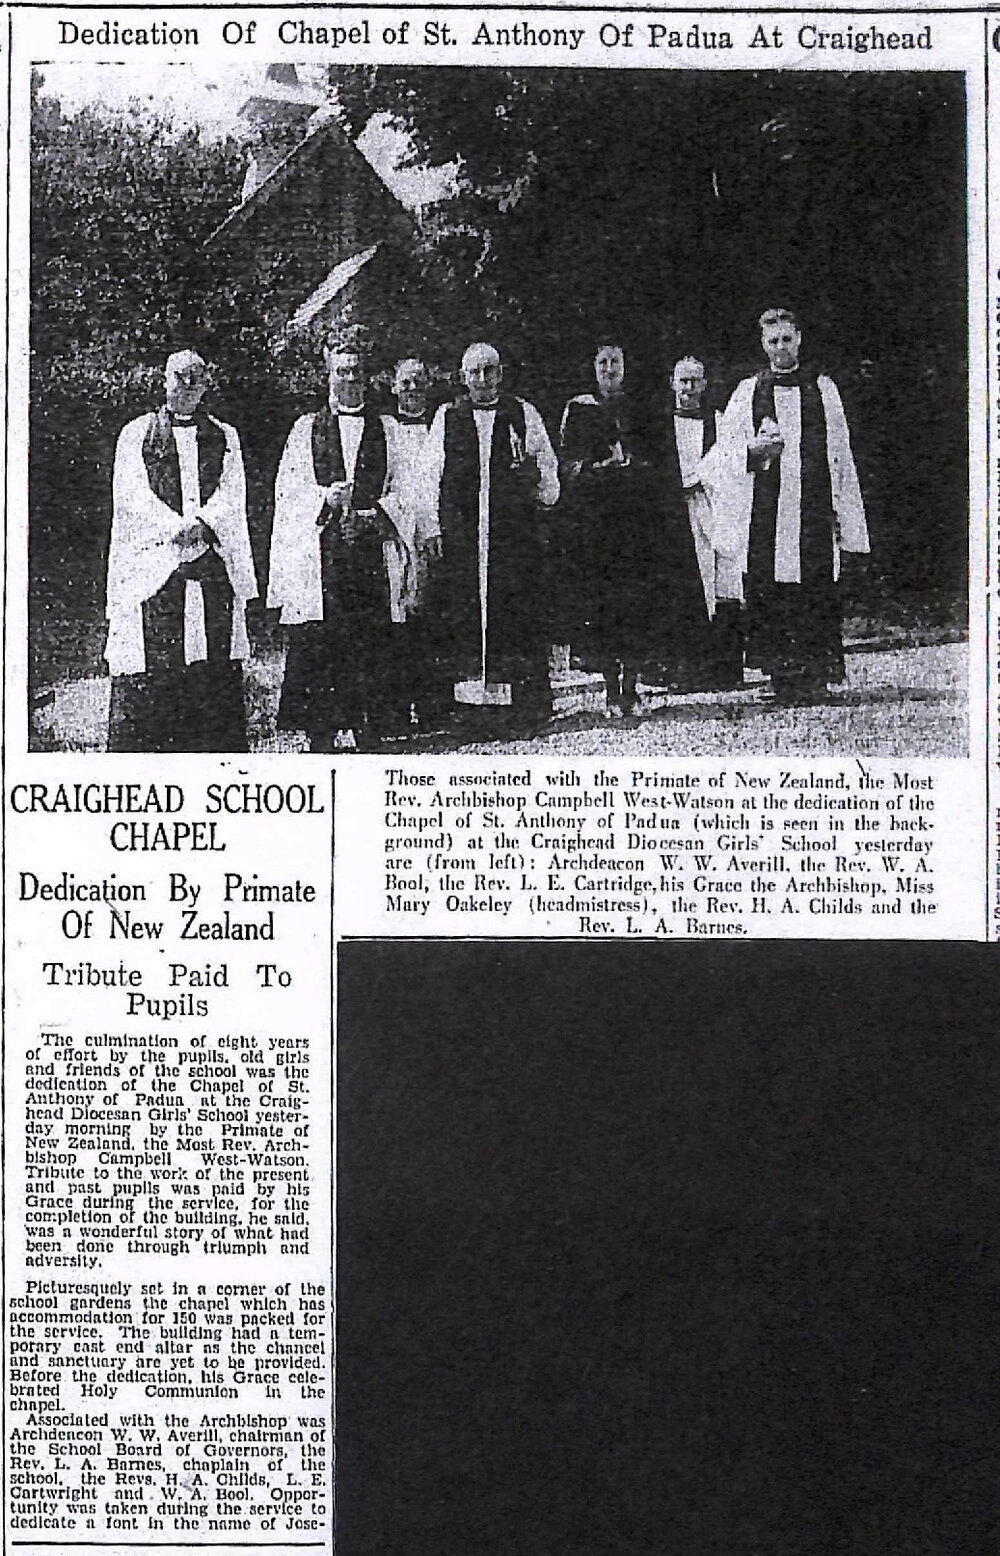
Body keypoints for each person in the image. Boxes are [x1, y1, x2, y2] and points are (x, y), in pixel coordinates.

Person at [709, 308, 869, 703]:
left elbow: (841, 451)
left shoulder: (823, 388)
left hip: (812, 507)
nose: (780, 347)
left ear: (799, 339)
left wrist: (844, 513)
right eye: (772, 340)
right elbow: (721, 453)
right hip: (769, 510)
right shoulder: (748, 391)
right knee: (773, 585)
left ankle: (815, 674)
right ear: (763, 345)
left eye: (787, 339)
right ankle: (782, 676)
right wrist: (752, 450)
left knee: (813, 586)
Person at [105, 349, 258, 753]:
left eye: (196, 378)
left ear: (206, 384)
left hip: (208, 556)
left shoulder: (225, 435)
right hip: (159, 562)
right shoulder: (137, 433)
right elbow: (132, 495)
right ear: (164, 380)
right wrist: (176, 527)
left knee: (213, 657)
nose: (187, 386)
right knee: (157, 658)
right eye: (179, 377)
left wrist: (205, 522)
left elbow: (232, 491)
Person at [267, 339, 411, 751]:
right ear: (328, 376)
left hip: (369, 548)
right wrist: (323, 498)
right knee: (323, 638)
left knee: (370, 634)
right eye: (341, 371)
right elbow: (288, 491)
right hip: (323, 550)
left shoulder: (387, 428)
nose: (349, 379)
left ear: (366, 377)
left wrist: (376, 514)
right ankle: (322, 731)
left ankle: (371, 727)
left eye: (356, 371)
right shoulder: (306, 428)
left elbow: (406, 489)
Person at [420, 342, 560, 730]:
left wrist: (538, 484)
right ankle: (470, 710)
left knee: (513, 613)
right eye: (475, 372)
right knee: (463, 615)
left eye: (490, 370)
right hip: (463, 535)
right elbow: (428, 478)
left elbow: (548, 470)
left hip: (511, 536)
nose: (482, 379)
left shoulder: (523, 413)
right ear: (463, 377)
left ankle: (519, 708)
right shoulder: (448, 417)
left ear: (501, 373)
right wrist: (431, 527)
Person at [559, 343, 704, 714]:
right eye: (603, 362)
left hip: (637, 521)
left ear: (625, 368)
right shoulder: (578, 409)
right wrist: (597, 469)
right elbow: (567, 465)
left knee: (636, 604)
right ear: (593, 368)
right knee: (604, 605)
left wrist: (635, 466)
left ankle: (632, 685)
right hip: (597, 523)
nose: (609, 369)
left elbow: (662, 461)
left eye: (615, 362)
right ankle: (609, 687)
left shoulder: (642, 409)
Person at [666, 355, 744, 689]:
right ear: (673, 383)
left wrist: (706, 484)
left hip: (714, 508)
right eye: (683, 380)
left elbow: (732, 463)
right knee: (682, 584)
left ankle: (726, 670)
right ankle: (684, 671)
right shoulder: (661, 424)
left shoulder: (720, 420)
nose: (689, 388)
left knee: (725, 583)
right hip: (675, 513)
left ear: (705, 383)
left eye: (695, 380)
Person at [378, 358, 440, 732]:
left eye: (419, 381)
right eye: (405, 382)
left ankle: (435, 706)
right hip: (396, 531)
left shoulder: (442, 425)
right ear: (393, 386)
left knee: (435, 619)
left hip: (434, 533)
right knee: (397, 618)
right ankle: (396, 710)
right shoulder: (384, 428)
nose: (412, 388)